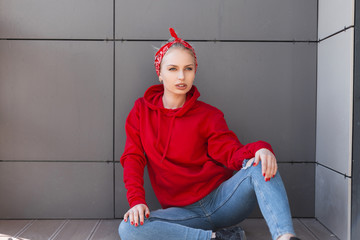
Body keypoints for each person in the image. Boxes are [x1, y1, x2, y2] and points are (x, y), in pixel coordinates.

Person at [118, 28, 300, 240]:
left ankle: (285, 237)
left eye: (188, 68)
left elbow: (230, 153)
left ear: (195, 71)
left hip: (223, 202)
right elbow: (133, 159)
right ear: (159, 73)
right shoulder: (141, 111)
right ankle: (216, 238)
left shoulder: (208, 115)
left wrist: (260, 148)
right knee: (129, 228)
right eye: (172, 69)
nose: (181, 76)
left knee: (261, 164)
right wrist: (137, 201)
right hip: (182, 214)